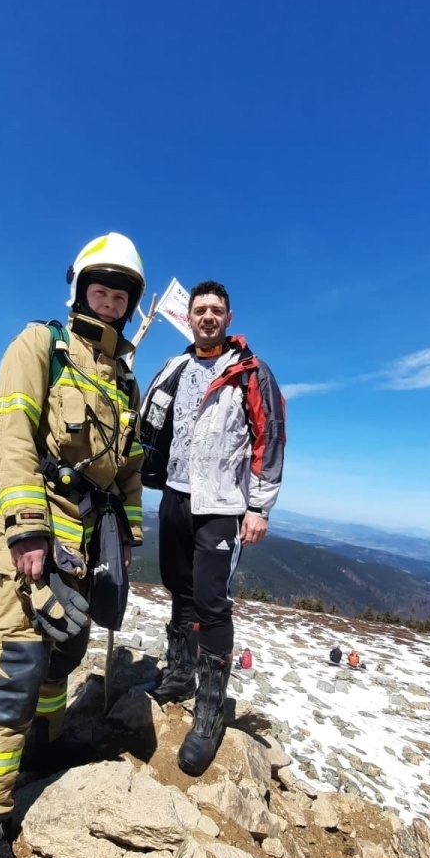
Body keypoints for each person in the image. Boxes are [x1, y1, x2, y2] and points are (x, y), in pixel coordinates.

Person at [0, 233, 146, 858]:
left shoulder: (124, 380)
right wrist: (25, 527)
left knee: (62, 658)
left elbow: (128, 471)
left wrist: (128, 535)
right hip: (32, 538)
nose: (112, 301)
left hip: (86, 547)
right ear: (81, 290)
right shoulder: (42, 346)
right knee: (15, 665)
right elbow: (8, 434)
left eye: (122, 294)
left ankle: (44, 744)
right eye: (103, 289)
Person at [140, 280, 286, 776]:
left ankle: (209, 710)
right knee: (176, 585)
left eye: (215, 310)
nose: (207, 316)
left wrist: (260, 507)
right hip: (176, 494)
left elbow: (269, 438)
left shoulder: (249, 372)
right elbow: (148, 420)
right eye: (200, 309)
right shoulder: (175, 367)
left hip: (223, 502)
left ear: (227, 316)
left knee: (211, 600)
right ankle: (179, 673)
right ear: (191, 317)